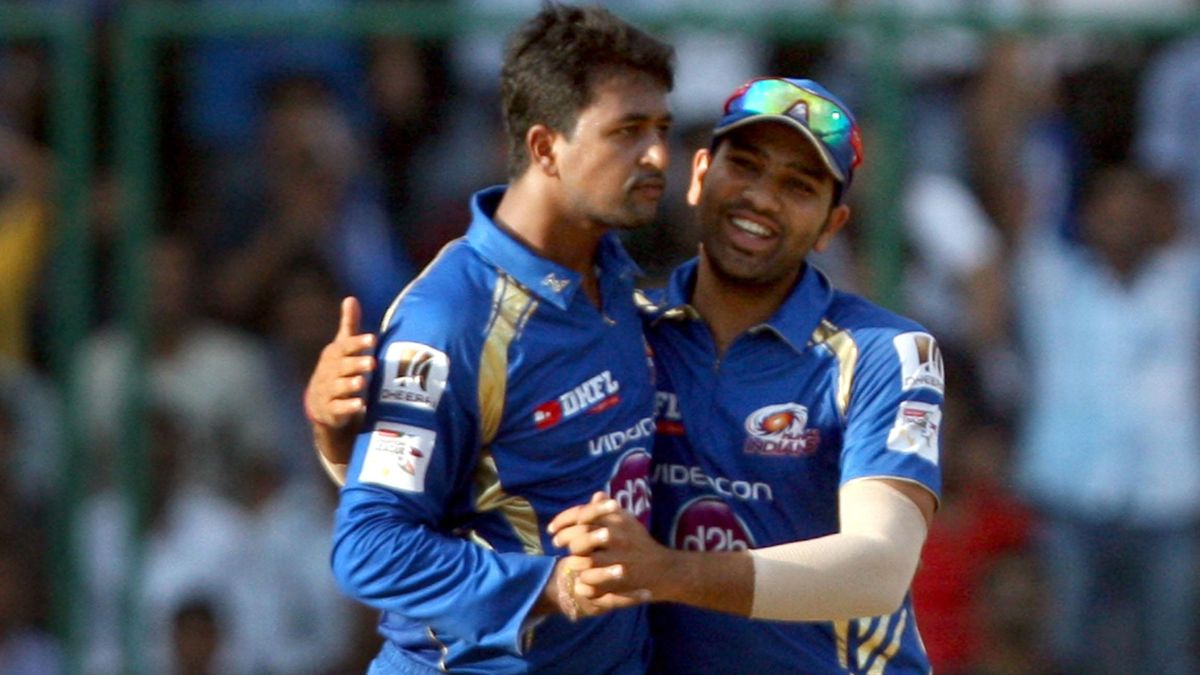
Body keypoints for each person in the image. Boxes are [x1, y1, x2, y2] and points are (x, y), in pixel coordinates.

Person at [310, 75, 943, 673]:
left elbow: (878, 569)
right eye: (745, 166)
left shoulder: (885, 353)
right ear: (700, 175)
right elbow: (453, 489)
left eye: (799, 187)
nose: (760, 198)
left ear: (832, 225)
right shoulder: (624, 330)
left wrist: (666, 572)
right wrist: (340, 436)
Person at [319, 4, 675, 673]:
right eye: (628, 131)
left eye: (662, 129)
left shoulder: (620, 280)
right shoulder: (451, 319)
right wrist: (553, 585)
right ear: (545, 148)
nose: (657, 156)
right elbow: (370, 547)